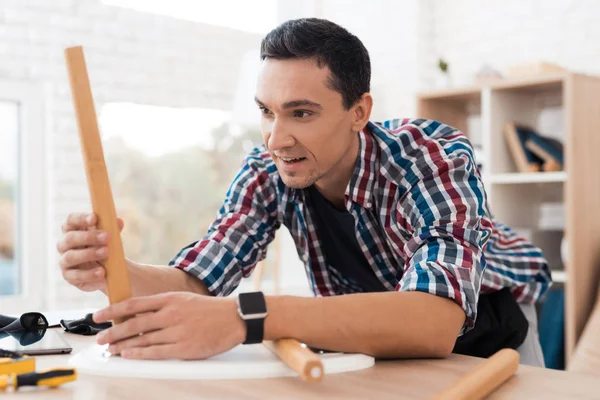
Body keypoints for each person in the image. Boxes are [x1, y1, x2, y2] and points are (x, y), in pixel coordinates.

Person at [56, 18, 551, 366]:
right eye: (267, 112)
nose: (276, 138)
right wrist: (113, 269)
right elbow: (199, 282)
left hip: (491, 324)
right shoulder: (268, 169)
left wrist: (248, 317)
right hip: (377, 336)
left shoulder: (430, 156)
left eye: (301, 112)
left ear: (359, 112)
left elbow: (435, 321)